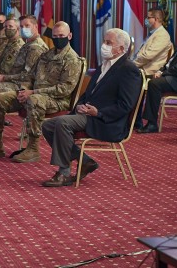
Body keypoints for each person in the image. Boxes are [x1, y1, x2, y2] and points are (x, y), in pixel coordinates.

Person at [40, 28, 141, 187]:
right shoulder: (103, 66)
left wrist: (98, 112)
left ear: (121, 49)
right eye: (104, 42)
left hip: (107, 121)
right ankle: (84, 161)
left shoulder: (129, 69)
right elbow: (88, 94)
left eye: (109, 43)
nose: (104, 46)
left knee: (62, 123)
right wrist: (80, 106)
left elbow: (125, 105)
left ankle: (63, 173)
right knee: (47, 125)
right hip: (89, 115)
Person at [0, 21, 81, 163]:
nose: (58, 39)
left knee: (34, 100)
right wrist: (24, 91)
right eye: (55, 36)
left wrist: (33, 93)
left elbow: (64, 89)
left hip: (57, 100)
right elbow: (30, 76)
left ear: (69, 36)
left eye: (62, 36)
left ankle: (33, 149)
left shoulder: (72, 59)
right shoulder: (46, 55)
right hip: (33, 93)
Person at [0, 15, 48, 140]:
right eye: (22, 26)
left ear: (35, 26)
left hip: (24, 86)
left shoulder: (35, 47)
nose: (24, 29)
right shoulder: (28, 44)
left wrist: (4, 78)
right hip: (15, 80)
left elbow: (27, 76)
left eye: (27, 26)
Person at [133, 8, 173, 76]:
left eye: (148, 17)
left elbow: (148, 56)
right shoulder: (153, 33)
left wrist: (132, 64)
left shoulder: (162, 35)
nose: (146, 20)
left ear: (156, 19)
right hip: (141, 68)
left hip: (149, 72)